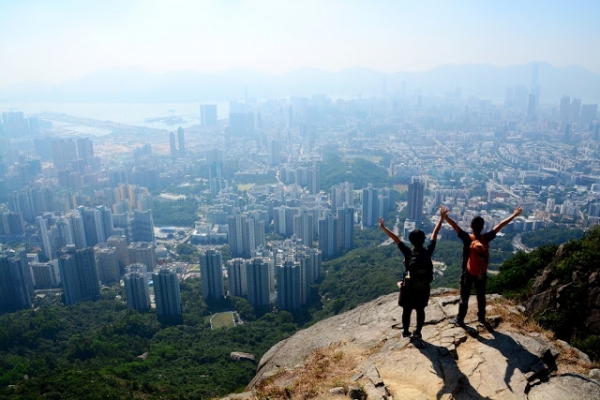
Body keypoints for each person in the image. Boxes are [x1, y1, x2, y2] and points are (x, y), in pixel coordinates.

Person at [444, 205, 524, 326]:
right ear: (483, 227)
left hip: (467, 272)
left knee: (464, 295)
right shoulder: (486, 238)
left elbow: (455, 225)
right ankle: (481, 317)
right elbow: (501, 225)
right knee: (481, 295)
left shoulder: (467, 238)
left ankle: (460, 319)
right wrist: (514, 214)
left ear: (471, 226)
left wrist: (445, 216)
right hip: (481, 272)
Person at [379, 206, 448, 338]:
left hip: (409, 289)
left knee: (407, 310)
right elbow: (434, 234)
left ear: (410, 241)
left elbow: (395, 238)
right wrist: (441, 218)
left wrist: (383, 227)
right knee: (420, 310)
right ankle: (418, 332)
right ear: (423, 240)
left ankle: (406, 332)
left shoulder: (409, 253)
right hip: (423, 288)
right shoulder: (428, 251)